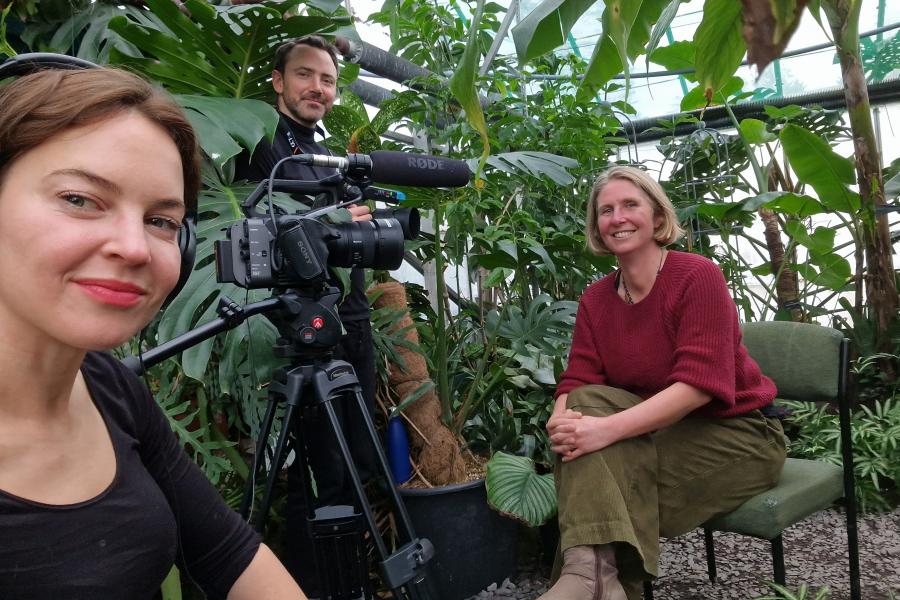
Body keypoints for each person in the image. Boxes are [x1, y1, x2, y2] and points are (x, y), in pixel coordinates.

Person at [0, 67, 307, 600]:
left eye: (161, 222)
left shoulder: (111, 390)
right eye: (79, 199)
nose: (135, 248)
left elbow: (225, 553)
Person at [539, 166, 787, 600]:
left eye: (630, 205)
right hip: (659, 430)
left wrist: (601, 431)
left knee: (613, 487)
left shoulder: (697, 276)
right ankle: (597, 580)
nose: (618, 218)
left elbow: (698, 386)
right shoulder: (595, 300)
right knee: (582, 407)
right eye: (606, 210)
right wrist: (562, 424)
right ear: (597, 226)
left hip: (740, 432)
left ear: (657, 217)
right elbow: (578, 379)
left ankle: (587, 580)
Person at [235, 35, 378, 594]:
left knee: (352, 460)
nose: (317, 87)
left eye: (328, 80)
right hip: (300, 326)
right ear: (277, 80)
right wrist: (338, 216)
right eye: (305, 75)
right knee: (316, 469)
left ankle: (345, 582)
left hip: (348, 316)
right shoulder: (261, 139)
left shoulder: (322, 147)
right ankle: (308, 587)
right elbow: (270, 223)